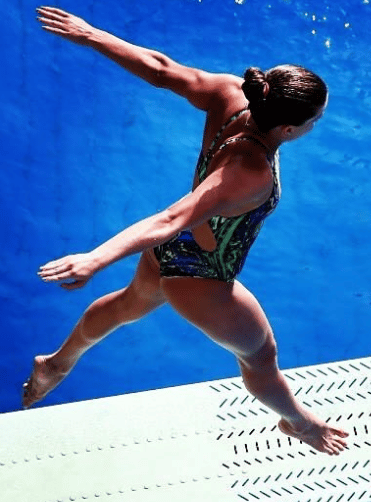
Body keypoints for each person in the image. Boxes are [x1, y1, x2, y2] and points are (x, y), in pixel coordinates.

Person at [23, 6, 349, 456]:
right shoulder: (250, 173)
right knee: (260, 357)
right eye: (314, 122)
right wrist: (95, 259)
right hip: (203, 276)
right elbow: (171, 218)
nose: (313, 128)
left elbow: (161, 69)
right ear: (290, 127)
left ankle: (55, 364)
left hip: (170, 251)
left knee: (128, 305)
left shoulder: (230, 93)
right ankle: (299, 423)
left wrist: (92, 34)